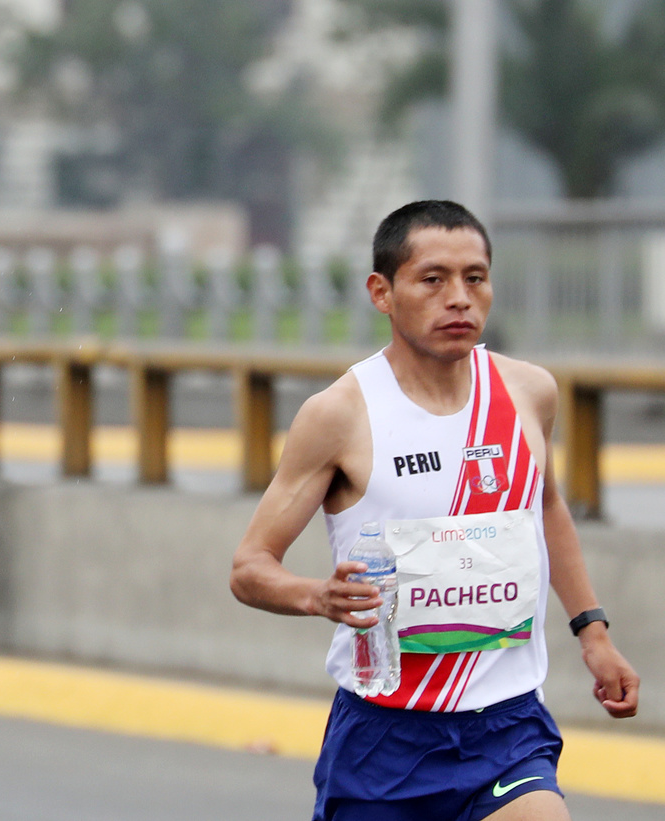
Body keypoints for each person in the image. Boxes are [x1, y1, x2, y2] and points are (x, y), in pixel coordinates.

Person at [229, 201, 639, 821]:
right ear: (382, 293)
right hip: (384, 736)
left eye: (475, 278)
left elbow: (547, 509)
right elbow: (249, 567)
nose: (459, 298)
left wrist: (595, 635)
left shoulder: (528, 392)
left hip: (507, 727)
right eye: (432, 279)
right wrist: (318, 597)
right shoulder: (340, 414)